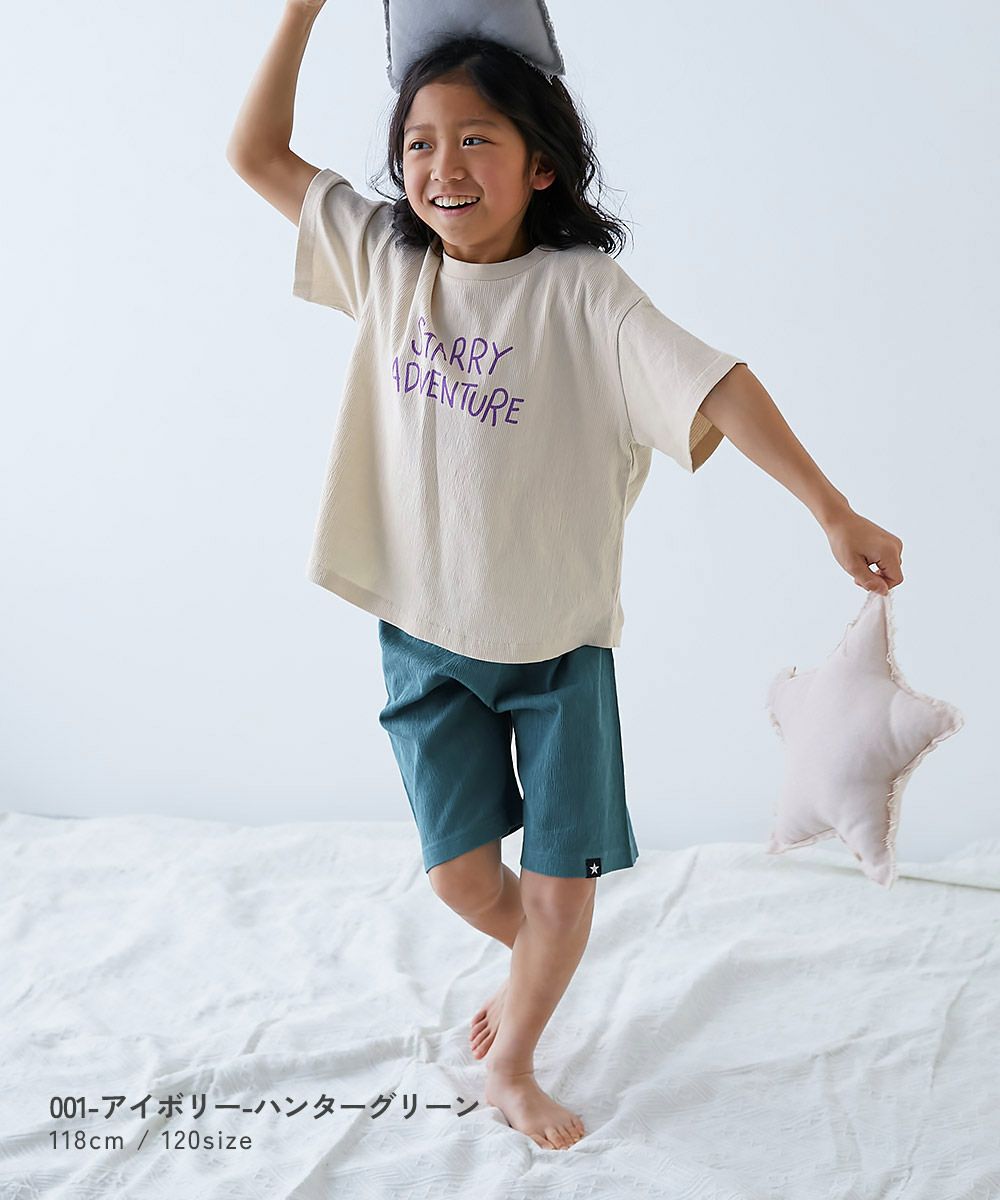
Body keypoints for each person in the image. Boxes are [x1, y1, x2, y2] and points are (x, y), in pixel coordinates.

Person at [225, 0, 905, 1153]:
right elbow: (255, 154)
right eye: (419, 143)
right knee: (462, 882)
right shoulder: (386, 259)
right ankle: (543, 958)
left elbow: (719, 385)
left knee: (559, 888)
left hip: (556, 652)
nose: (443, 166)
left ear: (540, 163)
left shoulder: (585, 294)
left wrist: (829, 508)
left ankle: (516, 1059)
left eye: (475, 139)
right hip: (424, 638)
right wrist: (299, 12)